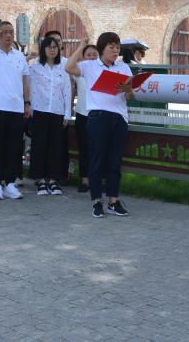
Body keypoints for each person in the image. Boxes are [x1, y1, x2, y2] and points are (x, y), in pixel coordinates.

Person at [66, 32, 134, 219]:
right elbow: (69, 67)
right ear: (102, 48)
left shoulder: (124, 68)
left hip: (119, 118)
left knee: (114, 161)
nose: (115, 51)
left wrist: (128, 89)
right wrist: (81, 47)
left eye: (117, 47)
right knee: (96, 160)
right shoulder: (90, 66)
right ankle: (96, 201)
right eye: (111, 47)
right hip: (97, 117)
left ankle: (113, 201)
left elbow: (131, 96)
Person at [0, 21, 30, 200]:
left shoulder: (20, 56)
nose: (9, 35)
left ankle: (10, 183)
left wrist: (27, 103)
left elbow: (25, 81)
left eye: (11, 32)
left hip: (16, 108)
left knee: (14, 147)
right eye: (4, 32)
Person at [28, 36, 72, 196]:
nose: (52, 50)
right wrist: (29, 107)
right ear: (43, 49)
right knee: (39, 146)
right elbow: (28, 86)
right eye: (49, 47)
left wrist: (67, 113)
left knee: (56, 147)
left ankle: (53, 180)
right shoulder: (35, 68)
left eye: (55, 47)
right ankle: (40, 180)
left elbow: (67, 90)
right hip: (39, 110)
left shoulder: (63, 67)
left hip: (57, 111)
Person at [72, 44, 99, 192]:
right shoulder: (79, 70)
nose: (92, 57)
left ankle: (99, 179)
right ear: (83, 57)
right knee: (84, 148)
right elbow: (70, 65)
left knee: (99, 148)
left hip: (98, 115)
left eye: (95, 54)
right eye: (88, 54)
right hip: (82, 114)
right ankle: (85, 180)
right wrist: (80, 47)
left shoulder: (103, 70)